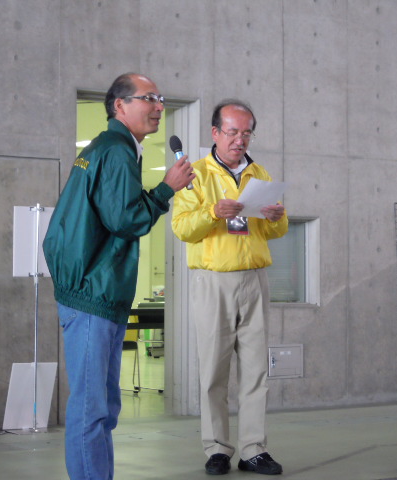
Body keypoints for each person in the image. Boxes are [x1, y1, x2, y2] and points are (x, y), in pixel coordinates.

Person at [43, 72, 195, 480]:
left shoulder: (113, 148)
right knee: (92, 409)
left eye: (160, 98)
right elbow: (125, 219)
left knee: (103, 408)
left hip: (99, 293)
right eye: (149, 98)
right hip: (93, 294)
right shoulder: (115, 150)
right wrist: (165, 190)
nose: (159, 107)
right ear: (119, 105)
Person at [171, 100, 288, 476]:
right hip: (213, 282)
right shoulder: (196, 174)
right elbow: (182, 228)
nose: (240, 139)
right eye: (233, 132)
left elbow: (275, 231)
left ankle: (254, 450)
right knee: (214, 370)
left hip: (254, 280)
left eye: (247, 132)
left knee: (256, 371)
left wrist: (277, 217)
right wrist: (212, 213)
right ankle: (217, 448)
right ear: (215, 133)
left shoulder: (259, 173)